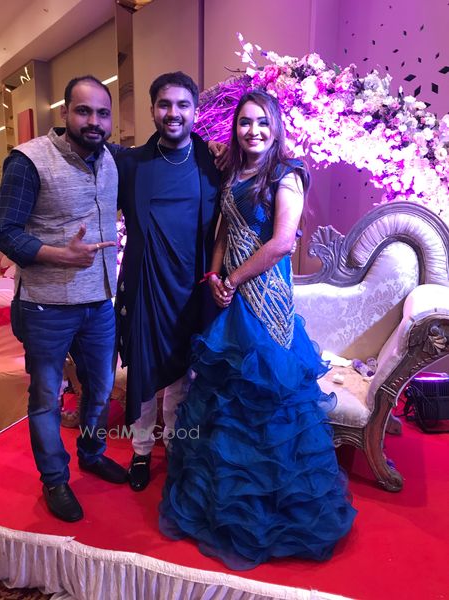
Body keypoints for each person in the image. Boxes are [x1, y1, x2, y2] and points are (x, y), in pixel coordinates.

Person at [159, 90, 356, 569]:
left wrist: (232, 279)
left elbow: (282, 242)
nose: (254, 131)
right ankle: (225, 505)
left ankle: (276, 514)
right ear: (236, 128)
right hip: (229, 304)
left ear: (276, 127)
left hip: (265, 304)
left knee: (268, 402)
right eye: (245, 122)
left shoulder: (286, 174)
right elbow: (225, 232)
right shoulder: (233, 172)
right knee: (226, 403)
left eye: (263, 123)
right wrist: (213, 275)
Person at [0, 75, 127, 523]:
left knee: (101, 388)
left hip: (99, 302)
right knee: (46, 397)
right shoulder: (29, 160)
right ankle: (54, 478)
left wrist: (214, 149)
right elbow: (5, 232)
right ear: (65, 113)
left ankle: (92, 453)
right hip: (45, 305)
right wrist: (59, 255)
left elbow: (158, 155)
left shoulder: (111, 157)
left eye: (103, 113)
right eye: (83, 111)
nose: (94, 121)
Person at [115, 72, 221, 491]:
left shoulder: (212, 161)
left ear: (195, 111)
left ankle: (176, 447)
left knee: (182, 378)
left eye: (182, 105)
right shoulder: (131, 165)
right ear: (152, 109)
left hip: (192, 288)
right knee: (142, 374)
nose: (173, 113)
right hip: (145, 286)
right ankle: (141, 452)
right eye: (164, 104)